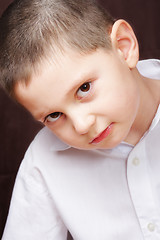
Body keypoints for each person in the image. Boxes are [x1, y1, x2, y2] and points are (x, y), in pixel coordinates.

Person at [0, 0, 160, 239]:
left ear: (123, 47)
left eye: (84, 88)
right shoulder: (43, 161)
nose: (82, 125)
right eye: (54, 115)